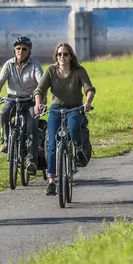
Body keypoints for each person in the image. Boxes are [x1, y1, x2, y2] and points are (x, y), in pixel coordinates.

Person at [33, 43, 96, 197]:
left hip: (75, 109)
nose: (62, 57)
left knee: (74, 127)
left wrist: (87, 103)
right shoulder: (51, 71)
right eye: (59, 54)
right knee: (52, 144)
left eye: (65, 54)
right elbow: (39, 89)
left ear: (71, 56)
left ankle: (79, 148)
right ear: (56, 57)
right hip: (55, 110)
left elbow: (89, 88)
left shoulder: (79, 71)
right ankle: (51, 181)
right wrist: (38, 104)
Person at [0, 36, 44, 170]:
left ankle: (31, 160)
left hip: (30, 100)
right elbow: (0, 82)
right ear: (14, 50)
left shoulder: (35, 65)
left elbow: (41, 83)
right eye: (18, 49)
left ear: (29, 51)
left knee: (32, 124)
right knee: (4, 113)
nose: (21, 51)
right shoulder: (9, 64)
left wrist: (39, 103)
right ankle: (7, 141)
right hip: (12, 98)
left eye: (24, 49)